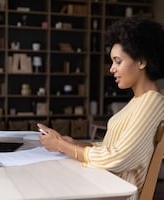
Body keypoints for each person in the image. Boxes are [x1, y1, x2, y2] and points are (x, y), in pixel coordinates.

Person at [37, 17, 164, 200]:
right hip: (106, 185)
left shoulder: (152, 102)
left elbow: (117, 158)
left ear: (141, 62)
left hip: (115, 193)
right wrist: (74, 143)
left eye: (117, 61)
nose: (111, 68)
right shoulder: (140, 101)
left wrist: (61, 145)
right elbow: (112, 149)